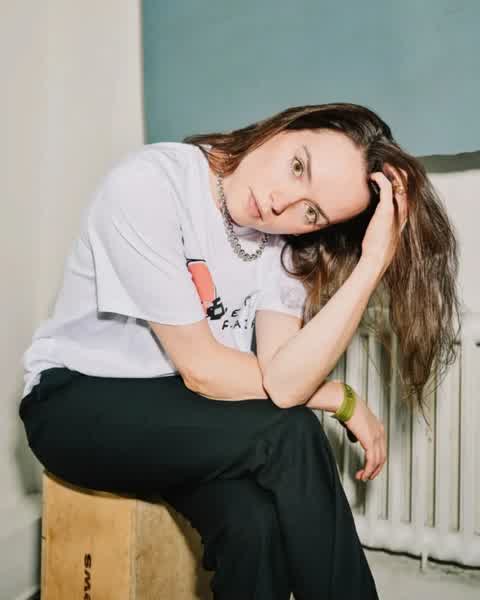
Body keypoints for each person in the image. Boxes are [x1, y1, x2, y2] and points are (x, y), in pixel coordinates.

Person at [18, 102, 459, 600]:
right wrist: (336, 396)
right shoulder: (152, 184)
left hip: (182, 414)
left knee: (255, 522)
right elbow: (204, 370)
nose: (279, 203)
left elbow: (284, 381)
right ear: (285, 126)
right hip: (74, 402)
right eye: (298, 166)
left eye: (312, 212)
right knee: (290, 432)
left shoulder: (282, 246)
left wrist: (373, 261)